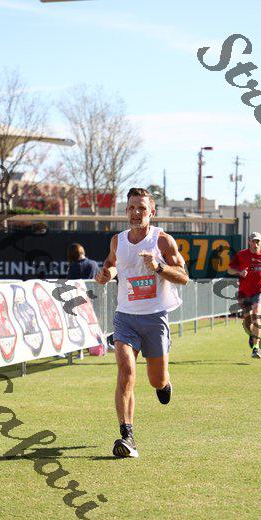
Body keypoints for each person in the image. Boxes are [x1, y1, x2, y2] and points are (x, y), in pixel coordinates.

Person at [95, 187, 188, 458]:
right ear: (126, 211)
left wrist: (158, 267)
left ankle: (164, 383)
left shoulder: (162, 241)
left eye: (142, 208)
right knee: (126, 372)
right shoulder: (117, 240)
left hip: (155, 317)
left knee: (156, 380)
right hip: (125, 317)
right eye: (132, 208)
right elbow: (112, 264)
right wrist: (106, 274)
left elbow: (183, 276)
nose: (136, 213)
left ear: (152, 212)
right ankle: (128, 436)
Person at [227, 232, 261, 359]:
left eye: (257, 241)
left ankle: (256, 348)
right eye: (253, 241)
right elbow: (229, 269)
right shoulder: (242, 255)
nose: (255, 244)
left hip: (259, 290)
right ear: (249, 242)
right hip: (244, 292)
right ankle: (252, 335)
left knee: (256, 314)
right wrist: (239, 272)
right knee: (247, 319)